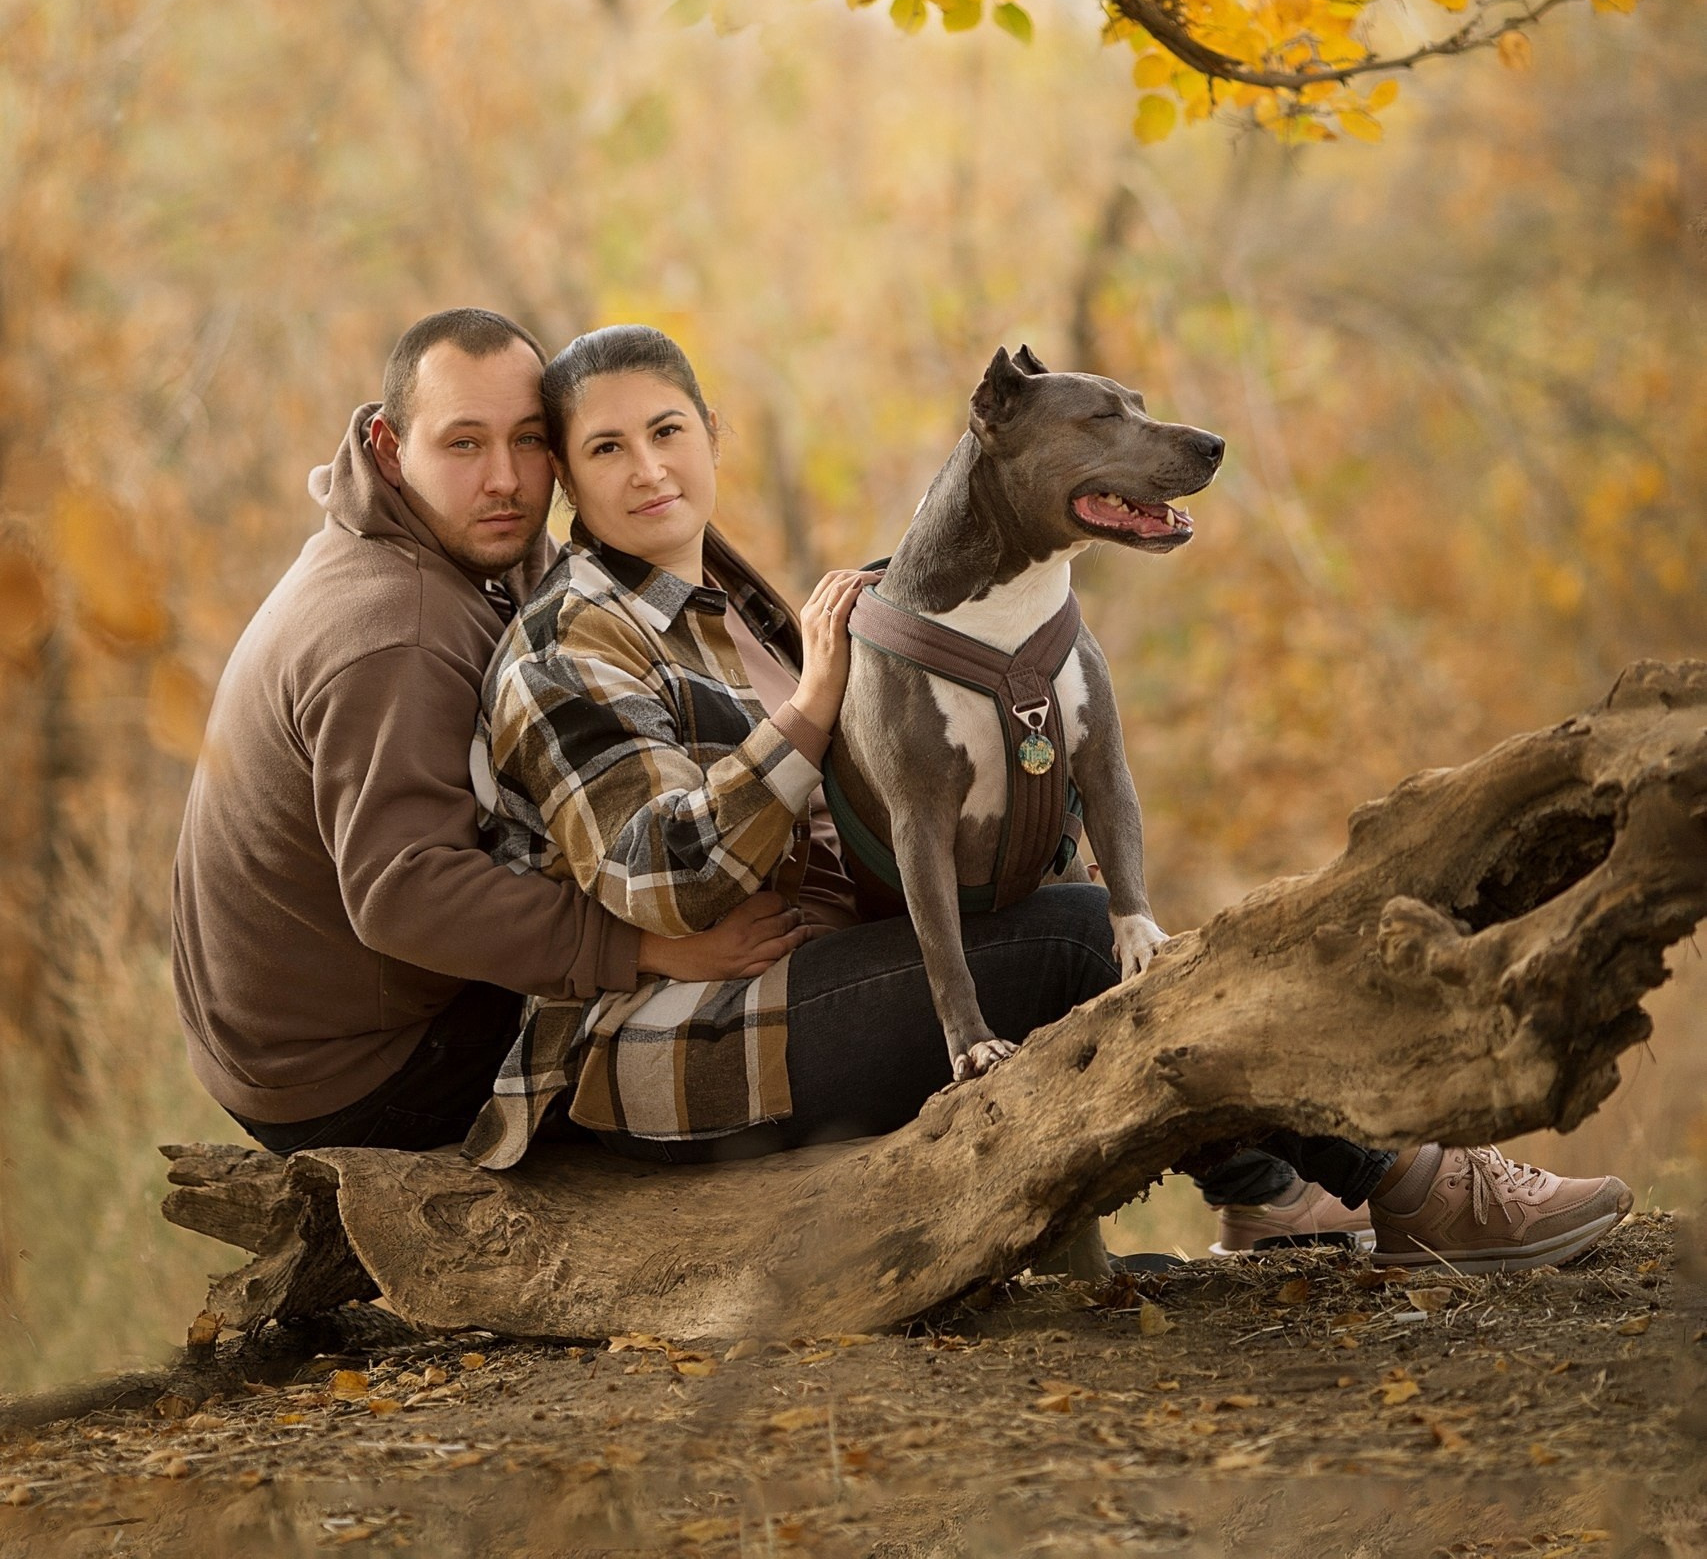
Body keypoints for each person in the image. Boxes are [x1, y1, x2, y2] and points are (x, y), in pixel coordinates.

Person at [462, 325, 1629, 1275]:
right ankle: (1418, 1184)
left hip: (805, 970)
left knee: (1089, 906)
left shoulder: (731, 605)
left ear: (711, 436)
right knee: (1083, 941)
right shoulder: (566, 641)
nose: (650, 466)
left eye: (668, 430)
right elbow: (656, 879)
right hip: (681, 1052)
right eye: (607, 448)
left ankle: (1265, 1188)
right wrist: (811, 707)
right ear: (567, 474)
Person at [171, 307, 789, 1155]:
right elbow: (404, 892)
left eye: (529, 440)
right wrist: (642, 948)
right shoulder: (399, 631)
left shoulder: (450, 538)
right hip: (354, 1076)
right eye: (463, 444)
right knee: (720, 1019)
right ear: (392, 449)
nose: (505, 479)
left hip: (333, 1024)